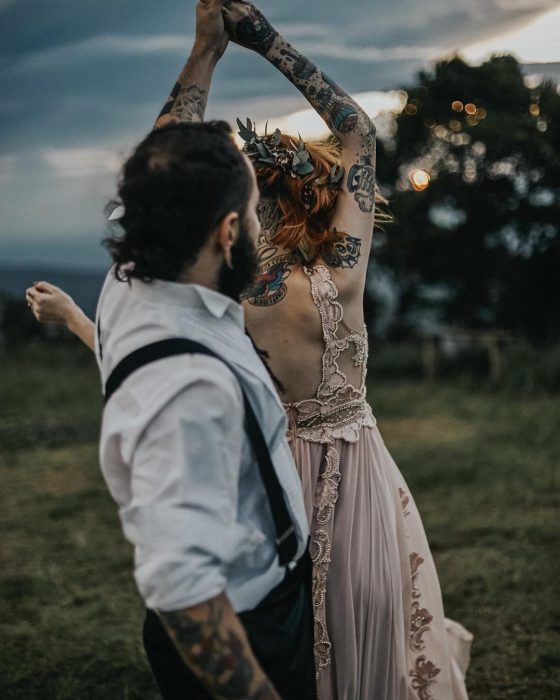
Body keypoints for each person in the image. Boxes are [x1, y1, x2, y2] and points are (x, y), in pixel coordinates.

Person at [28, 1, 472, 698]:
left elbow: (160, 190)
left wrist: (204, 52)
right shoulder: (336, 280)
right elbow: (357, 131)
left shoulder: (176, 297)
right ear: (229, 231)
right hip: (349, 484)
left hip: (277, 510)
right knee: (366, 639)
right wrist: (262, 40)